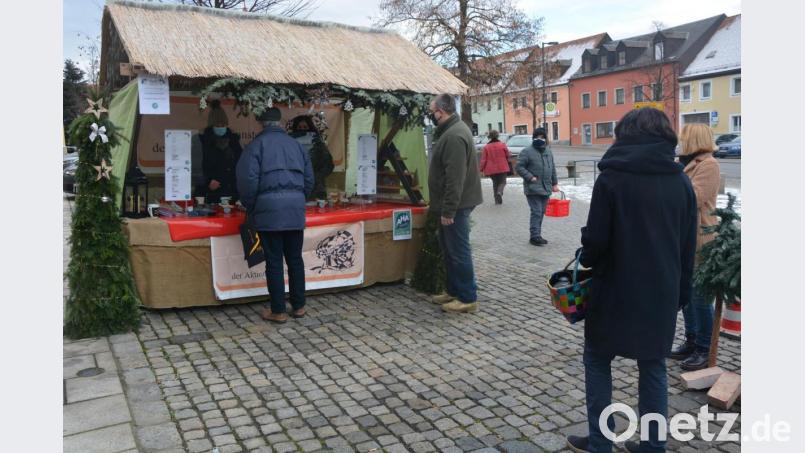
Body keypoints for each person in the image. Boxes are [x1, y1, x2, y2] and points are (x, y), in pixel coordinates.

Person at [566, 108, 697, 453]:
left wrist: (585, 260)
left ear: (625, 135)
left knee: (597, 361)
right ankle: (653, 446)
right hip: (660, 292)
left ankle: (600, 443)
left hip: (613, 290)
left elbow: (595, 243)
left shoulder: (611, 177)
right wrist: (682, 294)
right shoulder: (680, 180)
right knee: (652, 366)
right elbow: (687, 246)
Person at [236, 107, 314, 323]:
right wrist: (297, 199)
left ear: (261, 123)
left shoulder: (255, 147)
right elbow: (309, 180)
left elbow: (246, 182)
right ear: (279, 122)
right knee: (295, 259)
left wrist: (252, 206)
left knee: (274, 261)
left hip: (269, 213)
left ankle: (278, 311)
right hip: (295, 211)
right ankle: (299, 306)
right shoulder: (297, 146)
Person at [669, 123, 722, 371]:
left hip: (701, 237)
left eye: (684, 137)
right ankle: (690, 341)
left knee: (700, 298)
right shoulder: (683, 162)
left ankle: (703, 348)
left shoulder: (708, 164)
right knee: (687, 296)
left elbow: (694, 198)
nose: (680, 140)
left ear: (693, 139)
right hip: (683, 236)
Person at [426, 94, 483, 314]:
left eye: (433, 111)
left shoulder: (454, 135)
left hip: (456, 206)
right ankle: (453, 290)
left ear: (442, 111)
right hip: (451, 204)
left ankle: (467, 298)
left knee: (458, 250)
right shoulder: (453, 130)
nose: (432, 115)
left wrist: (448, 209)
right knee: (449, 249)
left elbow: (455, 177)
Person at [515, 127, 559, 246]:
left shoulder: (548, 151)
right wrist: (530, 177)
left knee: (542, 211)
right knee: (536, 211)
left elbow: (552, 168)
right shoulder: (527, 151)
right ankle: (534, 236)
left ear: (545, 138)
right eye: (537, 137)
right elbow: (519, 167)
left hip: (546, 187)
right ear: (533, 138)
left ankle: (537, 235)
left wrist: (555, 183)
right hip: (533, 187)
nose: (539, 139)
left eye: (542, 137)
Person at [199, 100, 243, 203]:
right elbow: (197, 165)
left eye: (223, 124)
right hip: (212, 192)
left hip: (232, 191)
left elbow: (240, 162)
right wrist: (208, 181)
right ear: (211, 125)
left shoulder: (234, 141)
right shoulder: (204, 141)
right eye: (217, 125)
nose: (220, 127)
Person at [290, 115, 334, 200]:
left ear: (310, 127)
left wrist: (315, 177)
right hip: (295, 187)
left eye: (305, 127)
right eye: (299, 127)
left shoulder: (318, 143)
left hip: (316, 188)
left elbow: (329, 165)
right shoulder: (289, 143)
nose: (302, 129)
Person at [479, 130, 512, 204]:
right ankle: (500, 192)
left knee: (495, 183)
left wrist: (481, 169)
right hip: (502, 167)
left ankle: (497, 200)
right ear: (497, 136)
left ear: (490, 137)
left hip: (490, 169)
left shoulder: (486, 147)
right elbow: (508, 155)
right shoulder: (502, 145)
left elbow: (483, 159)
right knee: (503, 182)